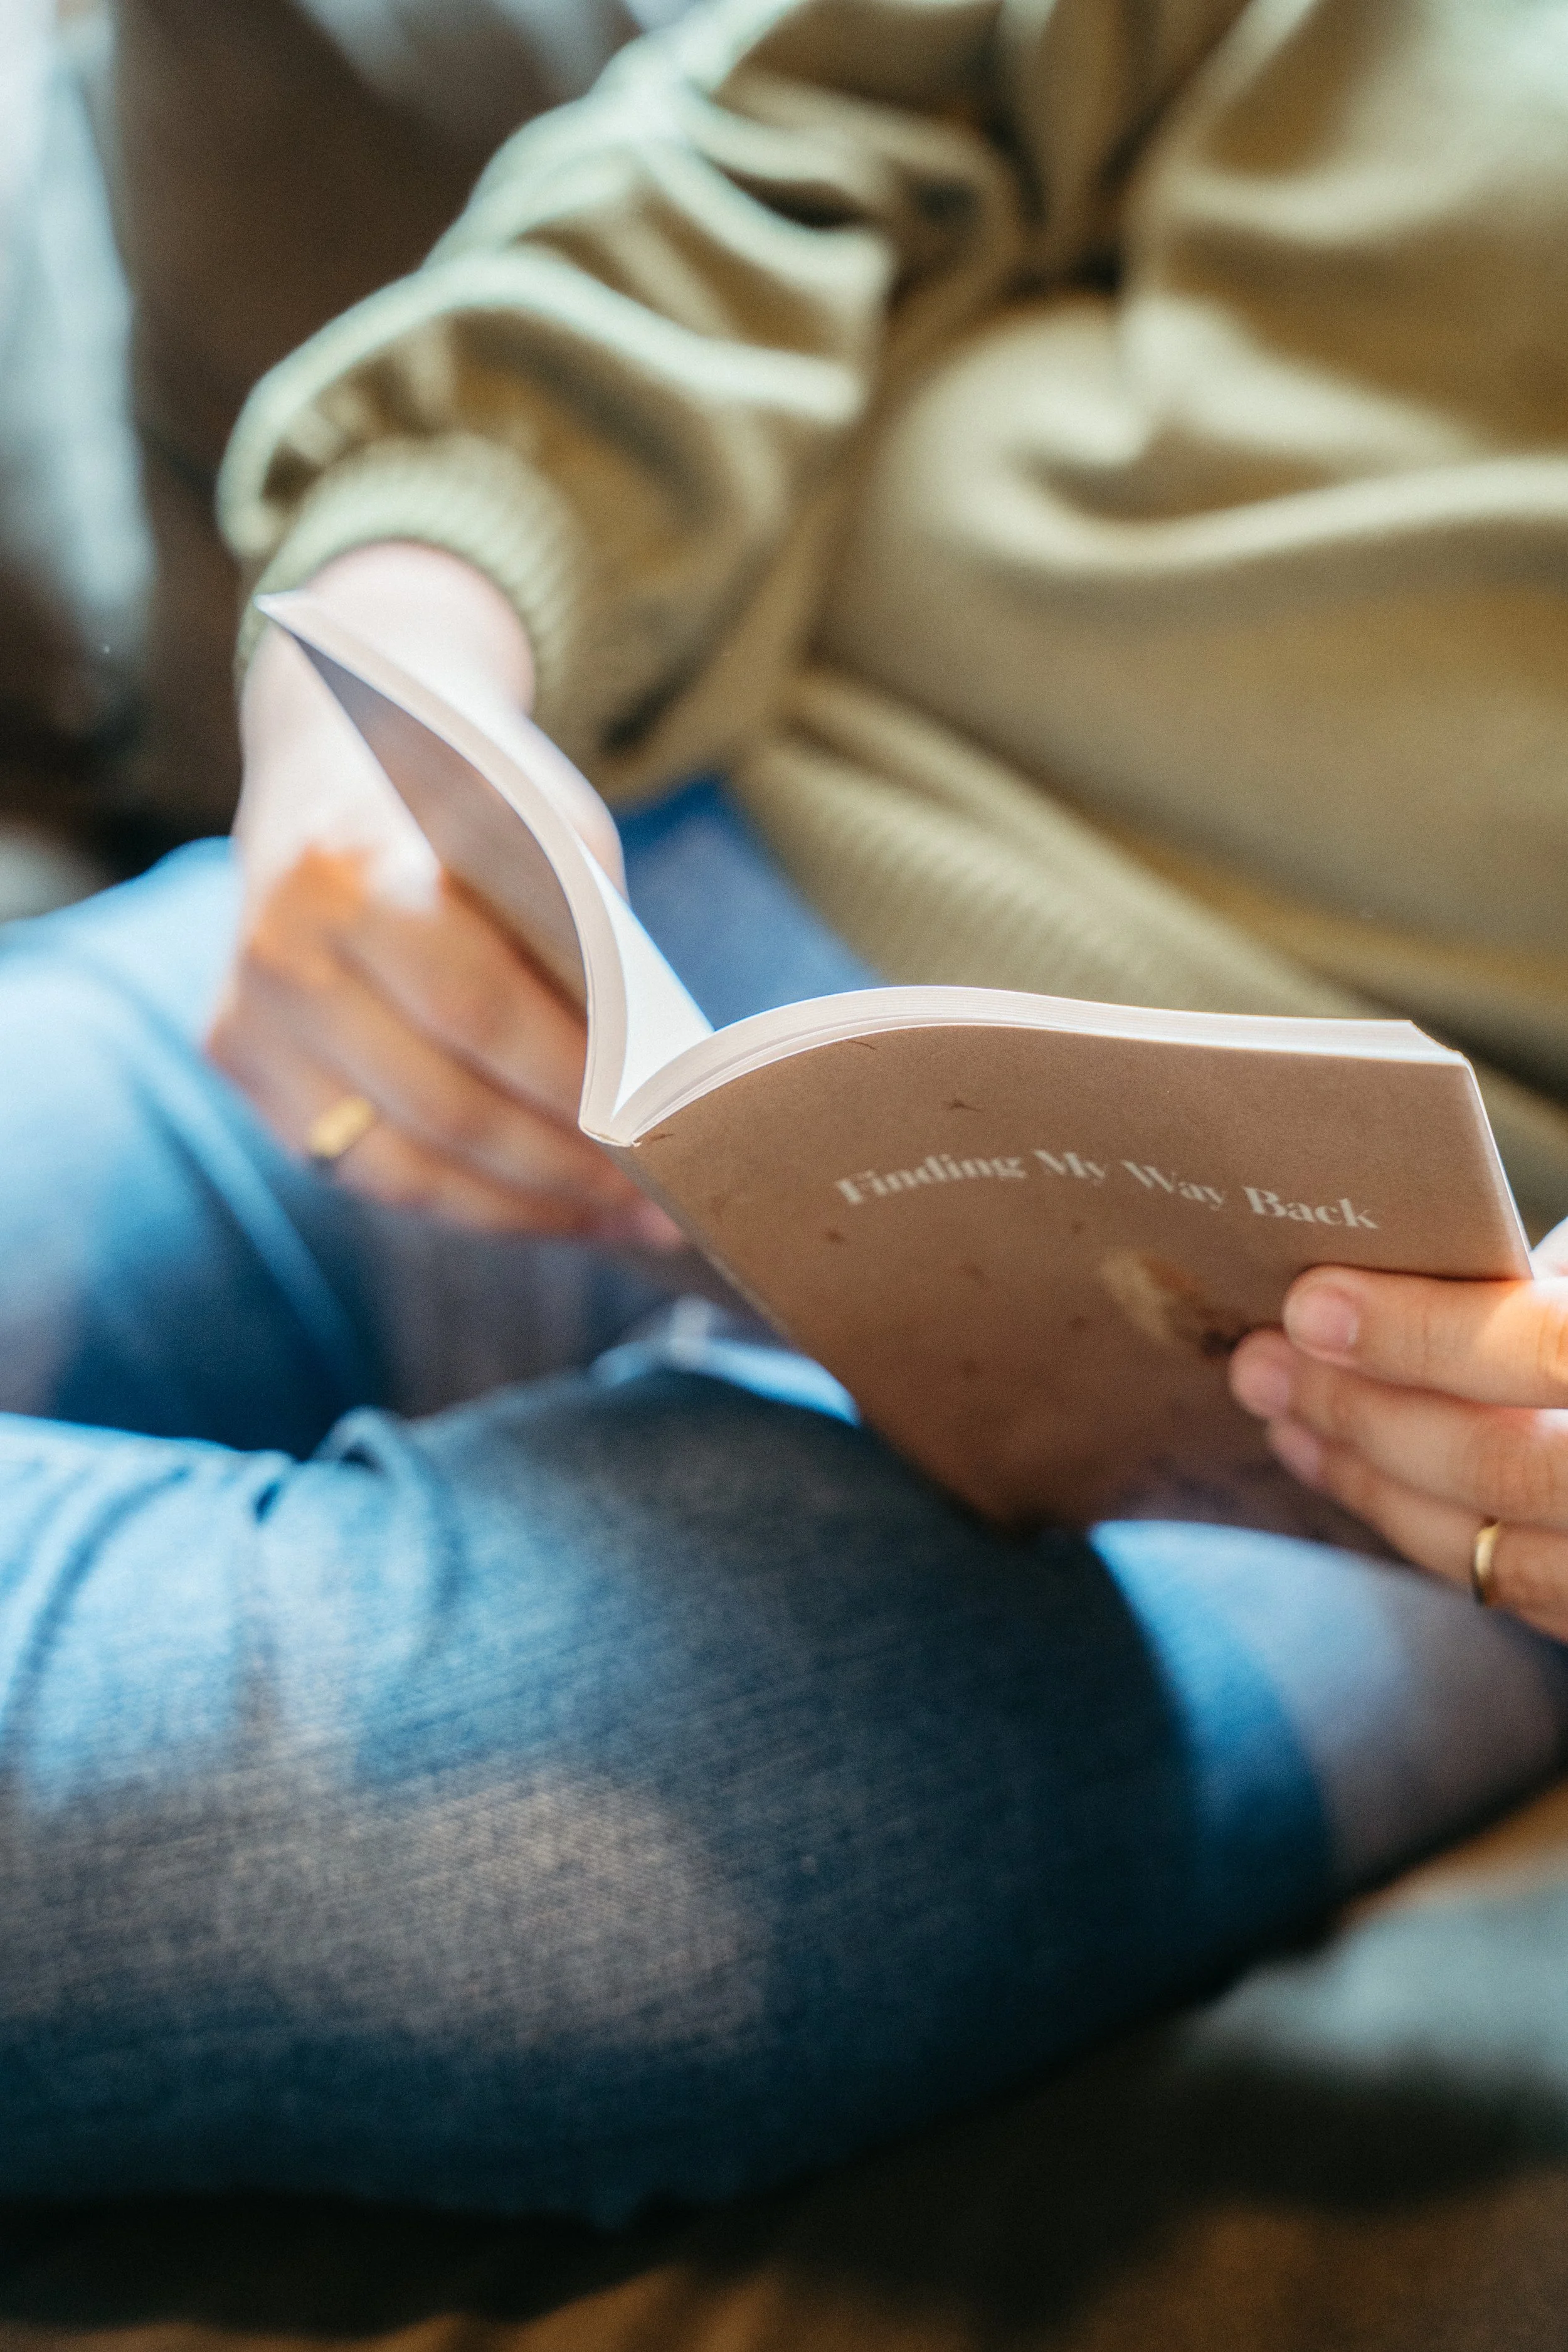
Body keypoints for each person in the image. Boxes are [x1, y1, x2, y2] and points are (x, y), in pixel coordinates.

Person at [3, 0, 1568, 2216]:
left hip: (1397, 1372)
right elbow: (794, 131)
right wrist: (397, 632)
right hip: (619, 922)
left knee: (568, 1874)